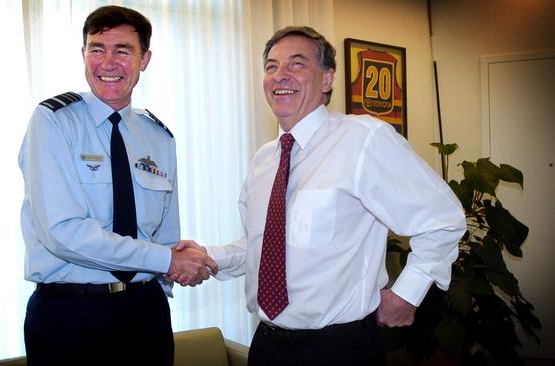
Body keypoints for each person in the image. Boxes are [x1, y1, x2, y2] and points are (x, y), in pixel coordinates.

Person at [174, 26, 466, 365]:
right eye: (271, 66)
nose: (280, 75)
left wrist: (407, 294)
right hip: (267, 347)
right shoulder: (264, 160)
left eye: (296, 64)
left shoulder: (364, 141)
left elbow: (443, 219)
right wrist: (207, 256)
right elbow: (263, 246)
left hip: (339, 350)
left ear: (327, 79)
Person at [18, 5, 217, 365]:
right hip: (69, 315)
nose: (108, 63)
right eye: (97, 49)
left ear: (145, 59)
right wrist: (167, 259)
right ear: (83, 55)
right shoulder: (53, 122)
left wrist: (175, 260)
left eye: (122, 50)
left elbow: (164, 233)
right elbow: (64, 233)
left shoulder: (159, 136)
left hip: (145, 313)